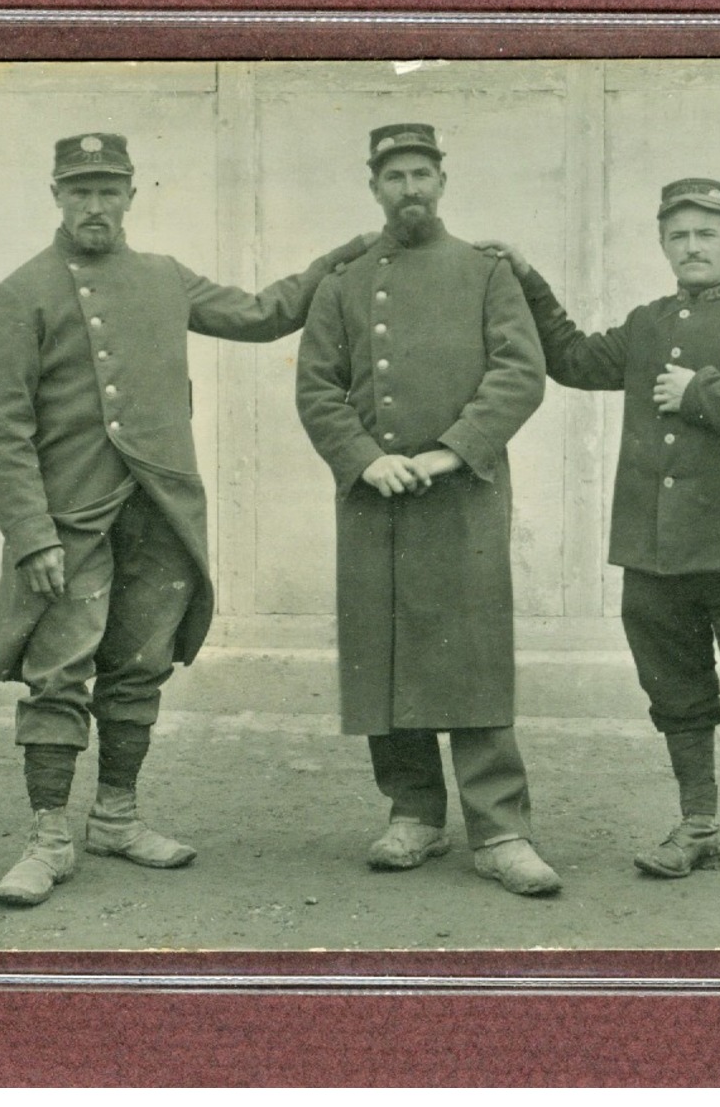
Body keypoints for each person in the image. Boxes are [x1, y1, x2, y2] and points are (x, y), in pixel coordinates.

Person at [0, 132, 372, 906]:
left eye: (108, 189)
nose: (95, 205)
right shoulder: (23, 291)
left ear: (130, 196)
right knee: (59, 672)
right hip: (71, 519)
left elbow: (261, 314)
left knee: (139, 665)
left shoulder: (163, 278)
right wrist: (31, 535)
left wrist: (343, 256)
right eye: (80, 190)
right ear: (56, 195)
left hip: (159, 513)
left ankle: (116, 815)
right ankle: (50, 835)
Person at [480, 178, 720, 929]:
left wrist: (702, 390)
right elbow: (572, 358)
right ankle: (698, 828)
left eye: (708, 232)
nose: (694, 246)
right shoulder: (648, 323)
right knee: (677, 697)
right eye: (679, 235)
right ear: (663, 245)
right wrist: (526, 277)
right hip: (656, 556)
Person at [294, 123, 560, 897]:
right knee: (386, 653)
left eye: (422, 173)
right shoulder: (345, 281)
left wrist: (447, 452)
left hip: (463, 494)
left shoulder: (485, 273)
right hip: (374, 497)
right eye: (394, 176)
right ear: (373, 186)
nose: (409, 188)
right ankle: (412, 812)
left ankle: (501, 827)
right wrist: (365, 460)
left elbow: (521, 372)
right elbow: (315, 385)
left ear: (443, 180)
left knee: (472, 650)